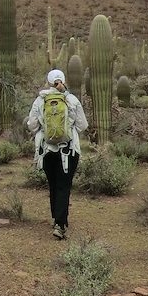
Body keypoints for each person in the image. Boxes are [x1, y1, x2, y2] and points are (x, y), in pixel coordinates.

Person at [26, 68, 88, 240]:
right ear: (63, 80)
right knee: (64, 185)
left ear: (48, 82)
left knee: (53, 184)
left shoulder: (40, 101)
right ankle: (60, 224)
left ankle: (56, 218)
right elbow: (83, 125)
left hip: (46, 150)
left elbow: (31, 125)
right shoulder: (71, 99)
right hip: (68, 150)